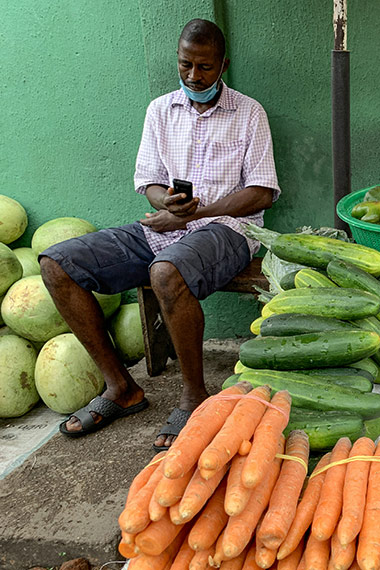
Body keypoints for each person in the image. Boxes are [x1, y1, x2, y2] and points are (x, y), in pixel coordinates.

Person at [39, 19, 280, 451]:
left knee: (166, 273)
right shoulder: (160, 110)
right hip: (164, 228)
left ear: (223, 65)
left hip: (229, 231)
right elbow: (149, 181)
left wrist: (196, 214)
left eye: (204, 67)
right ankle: (121, 389)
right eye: (185, 64)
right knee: (57, 265)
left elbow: (261, 192)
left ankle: (194, 396)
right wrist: (165, 204)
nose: (193, 76)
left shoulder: (249, 112)